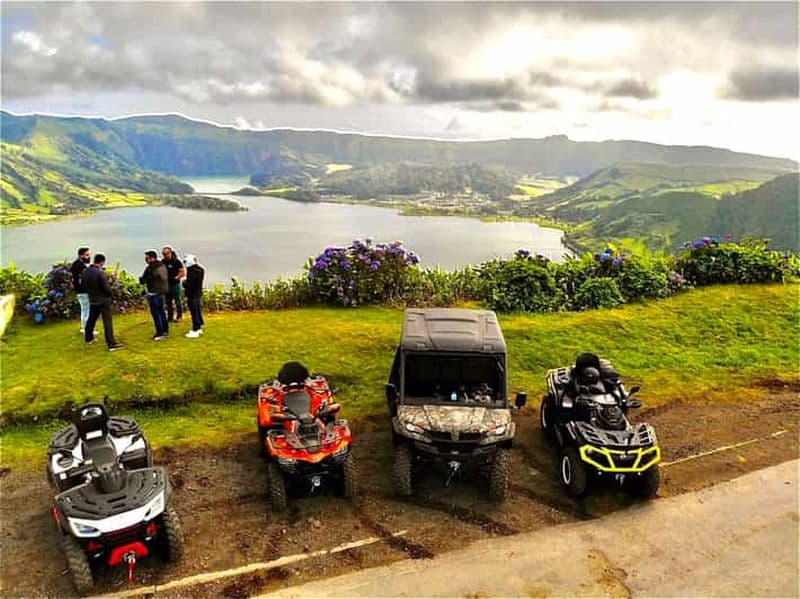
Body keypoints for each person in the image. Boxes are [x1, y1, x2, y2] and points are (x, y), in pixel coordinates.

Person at [82, 254, 123, 351]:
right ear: (101, 262)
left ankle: (89, 338)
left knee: (91, 319)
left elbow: (83, 284)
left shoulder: (85, 271)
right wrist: (111, 293)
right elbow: (106, 288)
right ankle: (111, 344)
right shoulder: (100, 272)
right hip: (103, 300)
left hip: (92, 299)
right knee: (107, 322)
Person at [140, 250, 169, 340]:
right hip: (162, 292)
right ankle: (165, 331)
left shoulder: (151, 268)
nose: (146, 259)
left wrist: (142, 280)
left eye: (147, 257)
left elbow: (145, 279)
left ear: (151, 258)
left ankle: (160, 333)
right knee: (162, 312)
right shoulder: (162, 265)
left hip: (154, 293)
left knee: (156, 313)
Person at [182, 254, 205, 338]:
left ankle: (196, 329)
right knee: (197, 310)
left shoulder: (192, 271)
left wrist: (184, 282)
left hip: (192, 295)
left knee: (194, 312)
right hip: (198, 293)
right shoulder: (200, 269)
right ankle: (199, 325)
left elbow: (189, 284)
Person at [70, 246, 91, 334]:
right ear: (81, 255)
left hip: (79, 290)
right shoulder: (80, 266)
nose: (89, 257)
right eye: (87, 255)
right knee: (86, 309)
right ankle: (87, 329)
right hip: (83, 290)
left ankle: (84, 328)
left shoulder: (75, 264)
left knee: (84, 309)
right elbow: (83, 279)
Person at [161, 246, 185, 323]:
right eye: (164, 254)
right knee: (168, 301)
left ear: (170, 253)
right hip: (166, 285)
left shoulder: (177, 262)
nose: (165, 255)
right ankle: (170, 317)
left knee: (177, 300)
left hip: (175, 284)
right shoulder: (163, 262)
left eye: (166, 254)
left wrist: (177, 277)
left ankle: (179, 316)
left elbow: (182, 272)